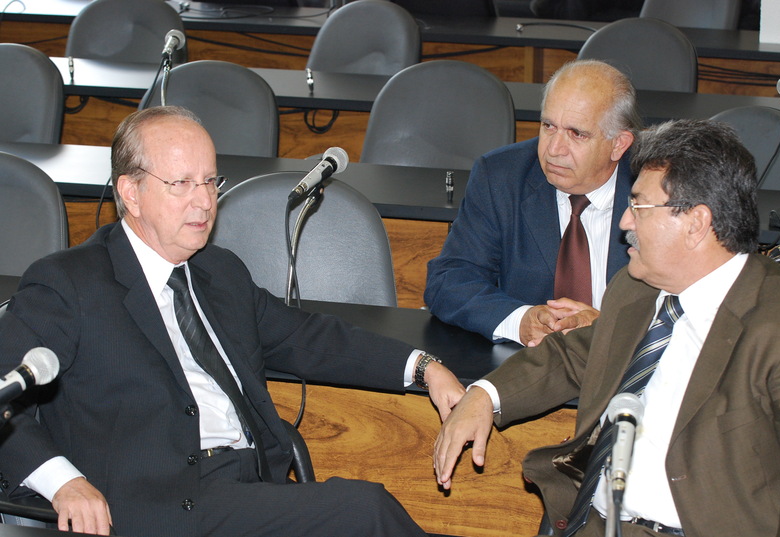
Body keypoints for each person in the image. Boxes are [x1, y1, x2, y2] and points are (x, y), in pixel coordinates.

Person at [0, 106, 466, 537]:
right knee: (364, 510)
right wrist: (63, 482)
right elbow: (3, 391)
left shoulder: (218, 271)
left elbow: (308, 337)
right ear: (131, 193)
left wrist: (423, 367)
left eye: (209, 181)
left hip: (249, 483)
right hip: (158, 505)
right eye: (181, 183)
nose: (204, 202)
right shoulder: (70, 282)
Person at [433, 119, 780, 536]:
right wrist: (485, 395)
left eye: (638, 207)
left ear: (696, 223)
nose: (624, 221)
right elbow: (574, 354)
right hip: (593, 523)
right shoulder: (635, 289)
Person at [424, 60, 639, 347]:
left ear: (619, 144)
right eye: (548, 126)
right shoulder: (502, 176)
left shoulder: (659, 186)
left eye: (576, 134)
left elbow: (687, 302)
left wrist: (608, 327)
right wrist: (519, 320)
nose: (554, 149)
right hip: (527, 361)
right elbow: (450, 280)